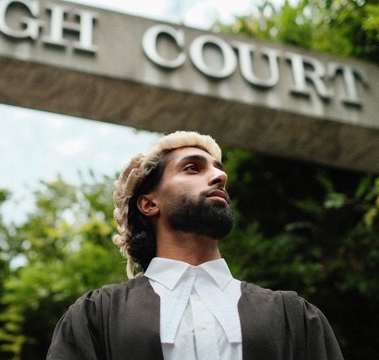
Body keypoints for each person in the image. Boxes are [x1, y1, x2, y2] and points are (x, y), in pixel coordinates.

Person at [47, 131, 343, 360]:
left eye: (218, 169)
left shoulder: (294, 316)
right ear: (149, 203)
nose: (220, 176)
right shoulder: (95, 316)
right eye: (192, 168)